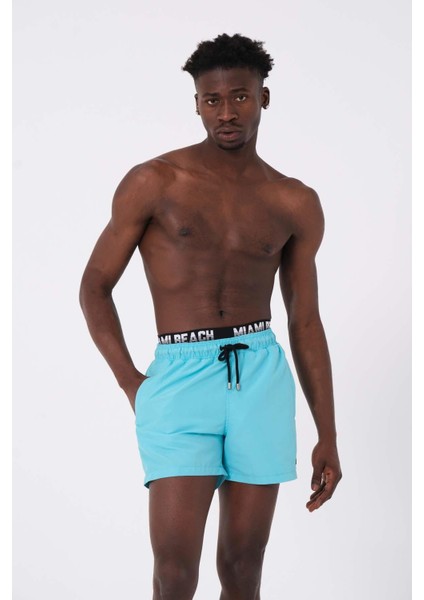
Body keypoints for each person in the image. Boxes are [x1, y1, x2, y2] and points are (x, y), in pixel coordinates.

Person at [79, 33, 342, 600]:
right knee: (175, 573)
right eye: (213, 100)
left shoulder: (293, 200)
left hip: (261, 375)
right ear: (197, 103)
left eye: (240, 97)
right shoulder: (155, 181)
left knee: (244, 569)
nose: (227, 112)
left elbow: (305, 321)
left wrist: (328, 433)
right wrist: (132, 383)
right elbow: (94, 287)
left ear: (263, 97)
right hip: (179, 378)